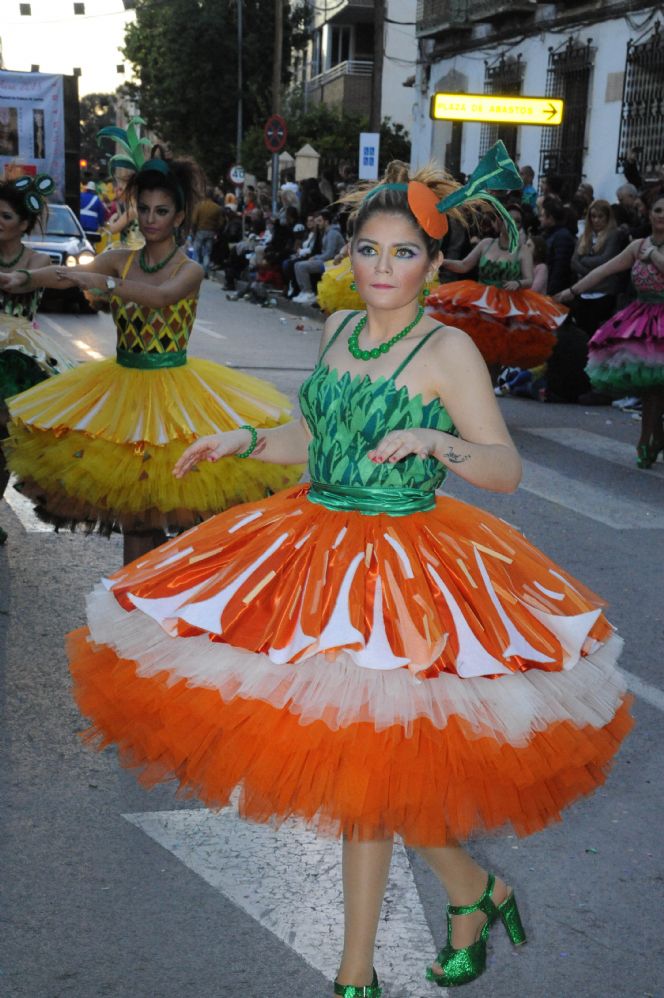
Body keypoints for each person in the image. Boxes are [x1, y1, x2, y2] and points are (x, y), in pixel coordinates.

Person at [66, 147, 631, 996]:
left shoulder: (448, 352)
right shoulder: (335, 330)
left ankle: (358, 975)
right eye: (369, 250)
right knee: (366, 778)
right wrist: (246, 441)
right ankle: (470, 895)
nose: (383, 268)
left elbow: (502, 469)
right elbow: (312, 439)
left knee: (371, 781)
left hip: (408, 572)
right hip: (315, 551)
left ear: (435, 266)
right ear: (349, 254)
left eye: (404, 254)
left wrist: (437, 441)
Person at [0, 158, 302, 564]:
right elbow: (65, 275)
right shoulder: (122, 259)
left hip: (177, 395)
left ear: (178, 216)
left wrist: (102, 282)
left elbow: (160, 298)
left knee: (175, 513)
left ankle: (162, 594)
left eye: (161, 211)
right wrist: (25, 279)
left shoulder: (189, 269)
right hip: (122, 391)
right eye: (142, 209)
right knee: (136, 517)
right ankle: (129, 600)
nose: (150, 219)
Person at [557, 193, 664, 469]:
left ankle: (657, 433)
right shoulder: (637, 246)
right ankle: (646, 438)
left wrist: (654, 255)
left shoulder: (647, 250)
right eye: (658, 210)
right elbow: (603, 271)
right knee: (650, 385)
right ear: (651, 214)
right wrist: (572, 291)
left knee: (659, 387)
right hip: (644, 319)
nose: (662, 215)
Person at [0, 174, 77, 545]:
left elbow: (41, 280)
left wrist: (20, 278)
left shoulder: (37, 259)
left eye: (6, 216)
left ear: (25, 224)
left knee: (6, 441)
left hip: (17, 359)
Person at [427, 206, 567, 373]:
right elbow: (464, 265)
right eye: (509, 219)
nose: (513, 224)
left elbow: (529, 279)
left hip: (506, 306)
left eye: (518, 222)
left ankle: (488, 392)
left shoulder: (522, 250)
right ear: (499, 221)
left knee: (493, 358)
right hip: (480, 300)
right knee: (472, 354)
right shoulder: (486, 244)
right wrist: (441, 261)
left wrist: (518, 283)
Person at [570, 199, 626, 336]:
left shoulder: (613, 235)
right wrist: (594, 272)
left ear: (607, 217)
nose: (596, 220)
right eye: (593, 216)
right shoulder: (584, 236)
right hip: (584, 293)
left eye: (600, 216)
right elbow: (573, 262)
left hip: (603, 293)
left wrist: (585, 261)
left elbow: (605, 260)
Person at [293, 208, 345, 305]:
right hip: (326, 261)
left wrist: (316, 257)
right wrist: (316, 257)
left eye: (320, 221)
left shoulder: (333, 233)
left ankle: (309, 293)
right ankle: (304, 291)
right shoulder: (325, 233)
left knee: (302, 266)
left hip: (332, 263)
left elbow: (329, 254)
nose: (318, 223)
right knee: (297, 264)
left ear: (327, 222)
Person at [540, 196, 576, 295]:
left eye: (542, 216)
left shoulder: (563, 237)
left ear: (550, 218)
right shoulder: (548, 234)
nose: (540, 219)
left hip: (553, 292)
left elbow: (559, 270)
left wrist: (550, 295)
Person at [190, 187, 224, 278]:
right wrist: (215, 230)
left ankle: (197, 270)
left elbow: (194, 221)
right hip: (211, 232)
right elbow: (221, 223)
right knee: (207, 252)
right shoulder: (217, 207)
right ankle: (205, 270)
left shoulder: (199, 206)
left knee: (197, 251)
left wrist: (193, 232)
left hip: (200, 231)